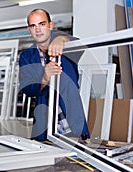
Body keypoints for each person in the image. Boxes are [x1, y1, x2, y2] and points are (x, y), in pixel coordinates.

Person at [19, 8, 90, 142]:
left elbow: (81, 46)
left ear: (50, 25)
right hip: (44, 124)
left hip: (71, 120)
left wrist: (62, 39)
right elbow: (27, 89)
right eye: (33, 26)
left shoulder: (67, 48)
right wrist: (44, 77)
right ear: (29, 29)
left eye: (42, 24)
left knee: (77, 157)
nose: (38, 29)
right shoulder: (26, 56)